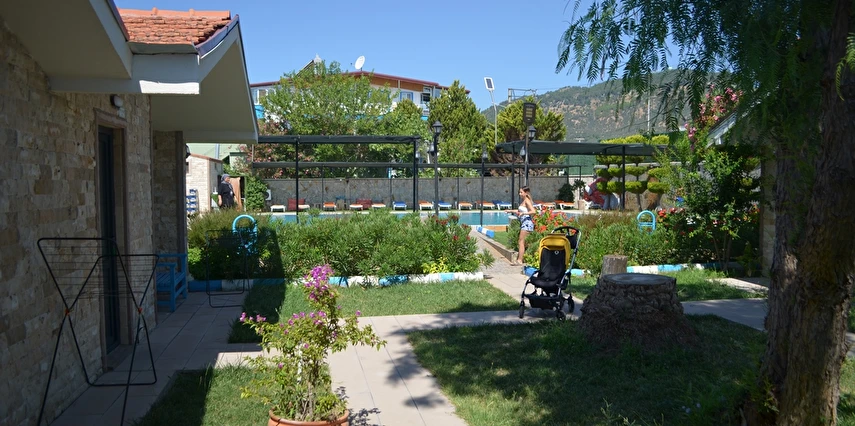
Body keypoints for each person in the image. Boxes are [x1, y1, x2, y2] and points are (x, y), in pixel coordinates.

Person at [512, 186, 536, 265]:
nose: (520, 194)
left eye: (521, 192)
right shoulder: (524, 201)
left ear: (526, 193)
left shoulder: (527, 201)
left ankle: (520, 260)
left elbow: (533, 211)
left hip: (527, 223)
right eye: (519, 192)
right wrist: (510, 210)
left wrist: (524, 213)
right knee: (524, 242)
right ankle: (528, 258)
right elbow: (519, 211)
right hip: (524, 223)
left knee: (521, 242)